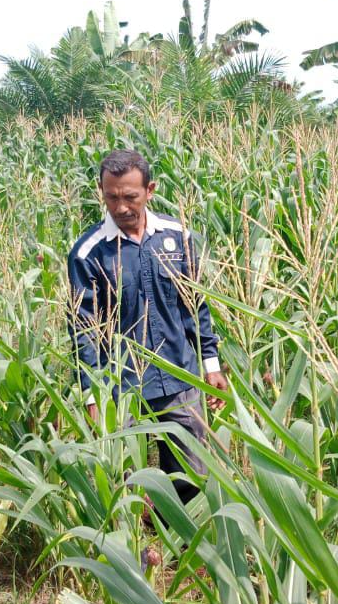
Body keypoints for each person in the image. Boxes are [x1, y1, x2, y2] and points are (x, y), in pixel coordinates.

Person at [67, 149, 229, 504]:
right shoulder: (88, 253)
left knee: (192, 478)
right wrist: (91, 393)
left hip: (178, 378)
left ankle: (188, 552)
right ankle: (136, 555)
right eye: (111, 197)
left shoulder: (178, 237)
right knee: (123, 482)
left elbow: (195, 304)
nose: (121, 207)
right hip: (120, 388)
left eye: (130, 197)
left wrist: (211, 363)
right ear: (101, 191)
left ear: (150, 190)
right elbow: (84, 329)